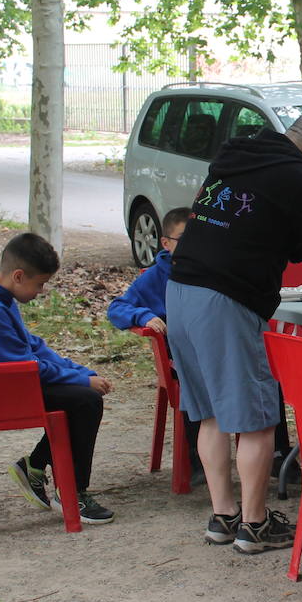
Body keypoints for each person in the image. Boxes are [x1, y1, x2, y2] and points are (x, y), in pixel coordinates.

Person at [166, 109, 302, 555]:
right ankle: (256, 523)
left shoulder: (237, 157)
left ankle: (224, 515)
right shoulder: (299, 179)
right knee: (257, 418)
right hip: (225, 299)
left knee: (208, 413)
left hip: (180, 289)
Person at [0, 232, 115, 525]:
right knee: (86, 402)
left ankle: (35, 465)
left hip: (4, 384)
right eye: (40, 283)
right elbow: (24, 365)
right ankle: (72, 493)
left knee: (81, 397)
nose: (42, 290)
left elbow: (32, 347)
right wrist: (81, 382)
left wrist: (79, 372)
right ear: (18, 276)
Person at [106, 207, 203, 484]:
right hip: (180, 359)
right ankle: (196, 460)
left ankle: (278, 458)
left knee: (265, 376)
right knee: (193, 379)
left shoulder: (210, 270)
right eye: (183, 239)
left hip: (213, 349)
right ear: (165, 243)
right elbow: (117, 308)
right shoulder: (156, 277)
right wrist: (144, 315)